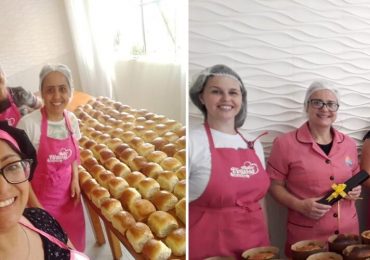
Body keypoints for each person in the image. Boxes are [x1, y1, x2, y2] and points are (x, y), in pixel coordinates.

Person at [267, 81, 362, 257]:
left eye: (331, 104)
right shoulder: (285, 143)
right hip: (308, 236)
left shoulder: (348, 144)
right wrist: (300, 205)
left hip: (348, 234)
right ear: (306, 107)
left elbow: (355, 174)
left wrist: (357, 189)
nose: (325, 108)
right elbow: (274, 185)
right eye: (317, 102)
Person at [189, 64, 270, 259]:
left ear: (241, 99)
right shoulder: (191, 142)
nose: (226, 99)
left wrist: (267, 242)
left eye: (233, 92)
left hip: (256, 247)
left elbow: (260, 201)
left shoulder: (253, 144)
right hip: (209, 249)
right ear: (202, 97)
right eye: (216, 92)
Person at [17, 64, 86, 251]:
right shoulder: (28, 125)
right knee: (54, 248)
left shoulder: (71, 120)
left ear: (70, 91)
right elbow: (20, 175)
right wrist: (38, 209)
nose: (56, 96)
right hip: (42, 201)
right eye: (50, 90)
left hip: (70, 199)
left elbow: (74, 154)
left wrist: (75, 179)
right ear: (40, 93)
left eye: (62, 89)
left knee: (75, 244)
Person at [0, 121, 87, 259]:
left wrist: (75, 179)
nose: (3, 188)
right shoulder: (30, 122)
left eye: (12, 166)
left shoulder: (42, 220)